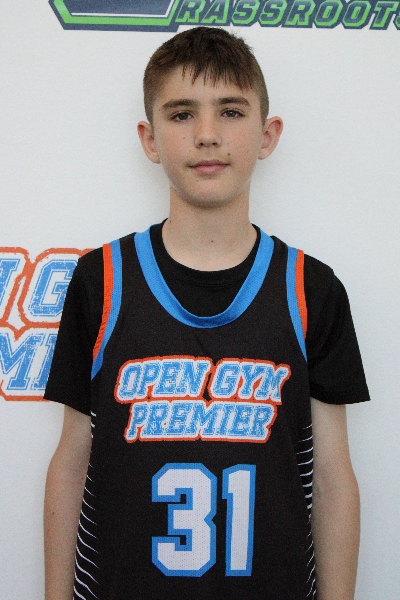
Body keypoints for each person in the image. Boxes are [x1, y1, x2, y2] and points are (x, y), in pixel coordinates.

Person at [43, 26, 369, 600]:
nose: (208, 134)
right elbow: (72, 461)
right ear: (150, 139)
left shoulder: (311, 290)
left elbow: (333, 478)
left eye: (231, 111)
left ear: (268, 134)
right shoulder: (100, 281)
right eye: (181, 114)